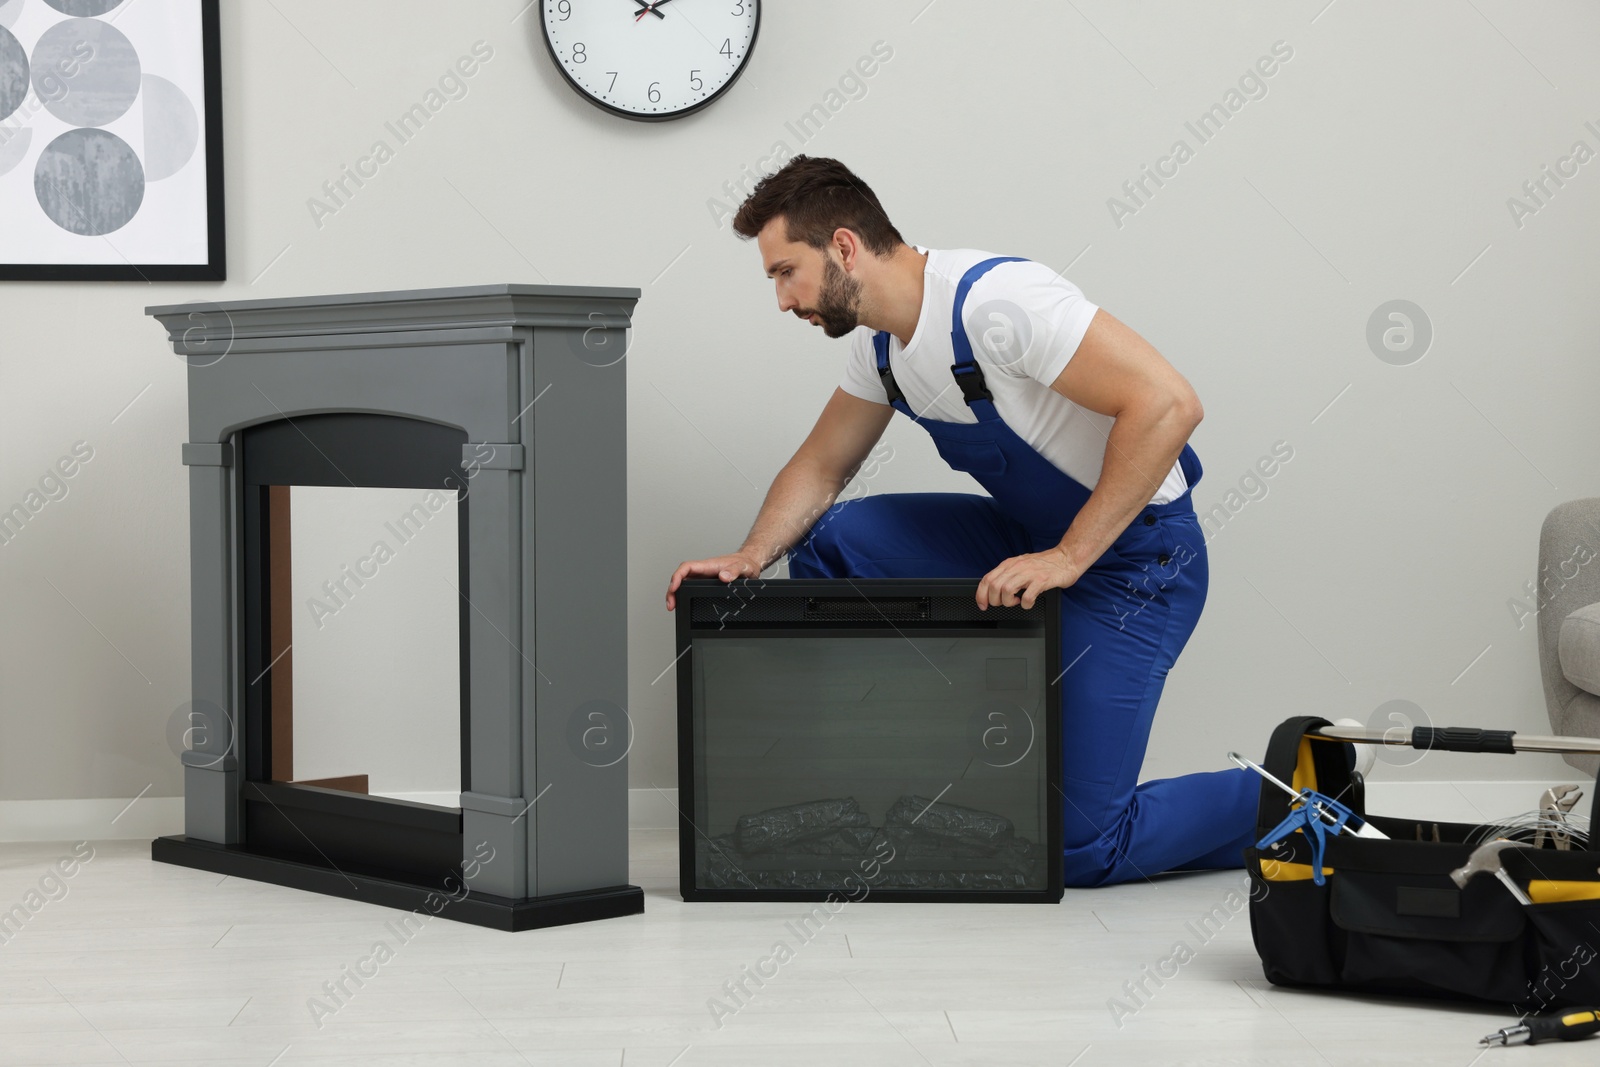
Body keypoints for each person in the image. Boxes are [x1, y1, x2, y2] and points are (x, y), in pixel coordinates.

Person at [665, 155, 1258, 886]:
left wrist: (1068, 558)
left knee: (1076, 849)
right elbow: (820, 468)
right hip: (1028, 542)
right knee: (836, 541)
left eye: (785, 272)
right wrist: (750, 555)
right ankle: (897, 775)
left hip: (1139, 565)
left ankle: (1289, 795)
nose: (784, 299)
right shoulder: (880, 353)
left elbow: (1169, 403)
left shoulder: (998, 303)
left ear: (844, 247)